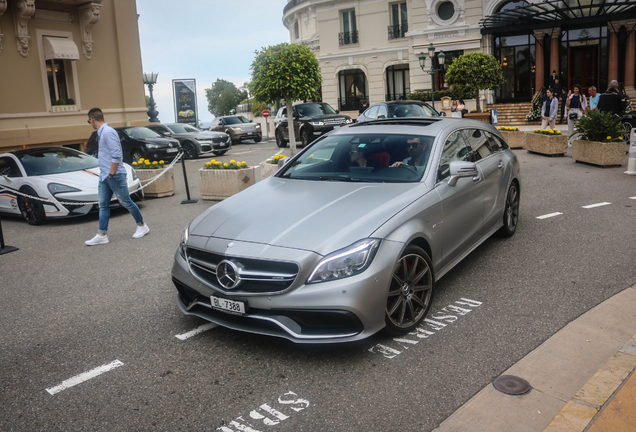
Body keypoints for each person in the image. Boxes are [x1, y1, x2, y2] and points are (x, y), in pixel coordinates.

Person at [85, 107, 149, 246]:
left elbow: (116, 155)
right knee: (103, 205)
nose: (90, 123)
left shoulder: (108, 132)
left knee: (126, 202)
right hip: (105, 176)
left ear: (92, 119)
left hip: (114, 175)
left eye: (89, 121)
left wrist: (112, 173)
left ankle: (142, 225)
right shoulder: (103, 133)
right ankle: (102, 234)